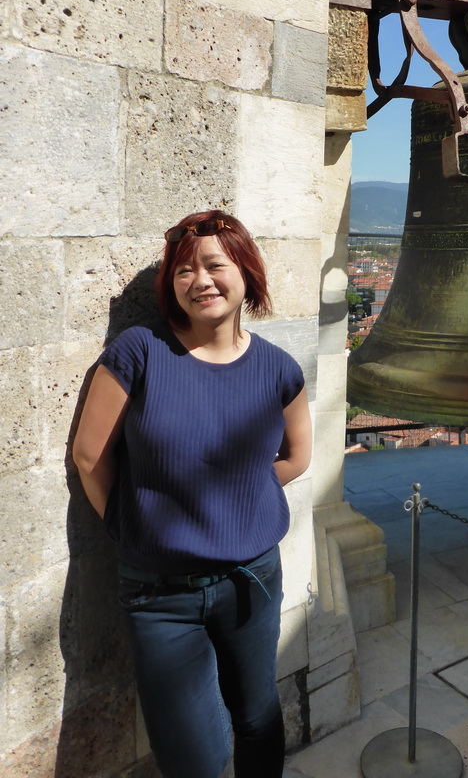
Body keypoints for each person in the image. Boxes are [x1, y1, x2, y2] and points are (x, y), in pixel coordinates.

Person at [72, 210, 313, 778]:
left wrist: (236, 498)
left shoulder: (278, 369)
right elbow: (90, 457)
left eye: (214, 265)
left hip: (249, 580)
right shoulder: (140, 352)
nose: (200, 280)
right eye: (183, 271)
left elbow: (297, 458)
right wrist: (134, 527)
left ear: (245, 273)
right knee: (192, 759)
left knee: (258, 719)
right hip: (159, 597)